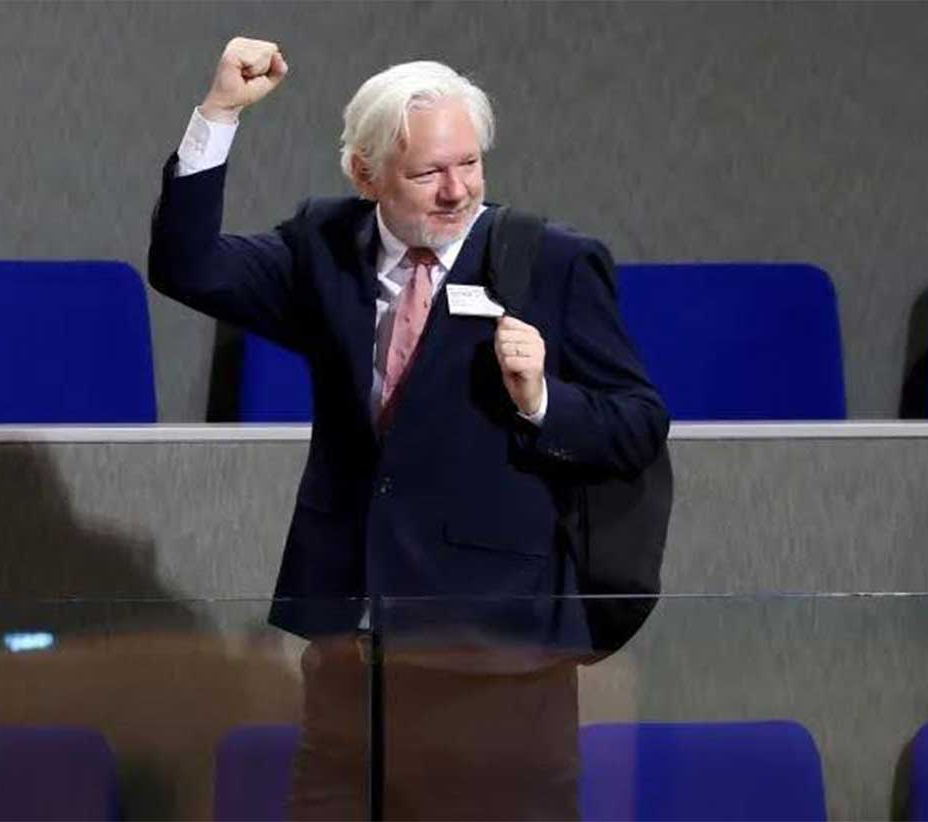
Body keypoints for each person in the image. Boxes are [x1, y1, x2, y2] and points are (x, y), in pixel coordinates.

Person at [149, 37, 669, 821]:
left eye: (471, 164)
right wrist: (219, 113)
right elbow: (187, 267)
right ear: (365, 175)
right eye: (428, 172)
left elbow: (636, 425)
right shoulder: (323, 249)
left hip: (496, 666)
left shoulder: (553, 262)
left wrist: (540, 399)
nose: (456, 190)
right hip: (353, 661)